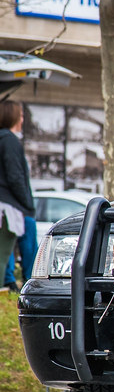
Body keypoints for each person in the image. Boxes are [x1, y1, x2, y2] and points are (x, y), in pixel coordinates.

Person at [0, 99, 35, 292]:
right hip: (14, 206)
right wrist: (27, 202)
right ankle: (28, 282)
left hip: (6, 204)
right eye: (20, 115)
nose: (22, 119)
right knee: (22, 244)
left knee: (5, 248)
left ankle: (9, 282)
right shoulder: (10, 141)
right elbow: (15, 176)